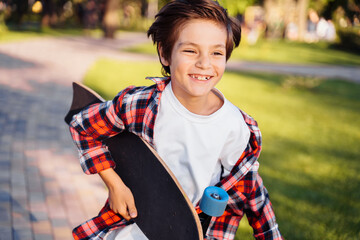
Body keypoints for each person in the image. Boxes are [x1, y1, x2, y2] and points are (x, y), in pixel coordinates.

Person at [69, 0, 283, 239]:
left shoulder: (235, 127)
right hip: (134, 230)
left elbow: (251, 191)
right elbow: (83, 125)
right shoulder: (141, 105)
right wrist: (114, 185)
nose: (204, 63)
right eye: (191, 50)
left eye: (216, 52)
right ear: (164, 53)